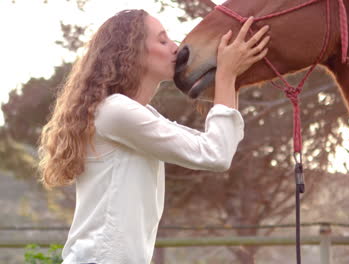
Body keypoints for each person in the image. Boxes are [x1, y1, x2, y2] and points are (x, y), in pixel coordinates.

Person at [37, 9, 269, 264]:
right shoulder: (116, 112)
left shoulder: (135, 114)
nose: (176, 48)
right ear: (132, 52)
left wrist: (231, 76)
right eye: (162, 40)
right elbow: (216, 154)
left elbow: (213, 145)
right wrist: (226, 75)